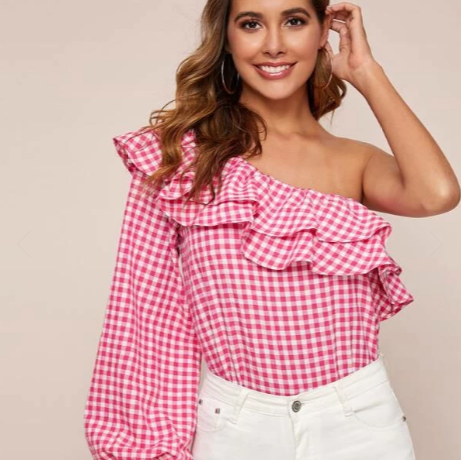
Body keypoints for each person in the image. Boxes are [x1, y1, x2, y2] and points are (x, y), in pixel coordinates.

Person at [83, 1, 460, 459]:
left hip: (360, 424)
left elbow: (437, 193)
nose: (274, 45)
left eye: (295, 21)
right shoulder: (179, 161)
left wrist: (365, 71)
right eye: (251, 24)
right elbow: (148, 313)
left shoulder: (355, 161)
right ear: (227, 38)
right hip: (234, 427)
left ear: (323, 32)